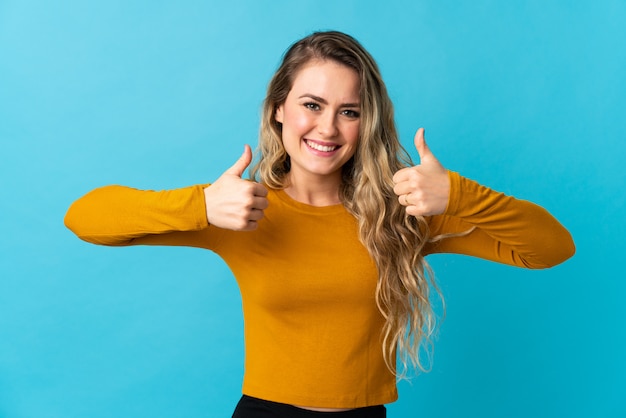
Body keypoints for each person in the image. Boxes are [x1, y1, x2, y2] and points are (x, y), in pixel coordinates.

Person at [64, 31, 575, 417]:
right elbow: (84, 217)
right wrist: (200, 204)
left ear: (365, 122)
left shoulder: (399, 213)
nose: (328, 128)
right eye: (312, 105)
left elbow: (551, 248)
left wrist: (459, 195)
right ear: (279, 110)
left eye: (348, 111)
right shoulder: (240, 209)